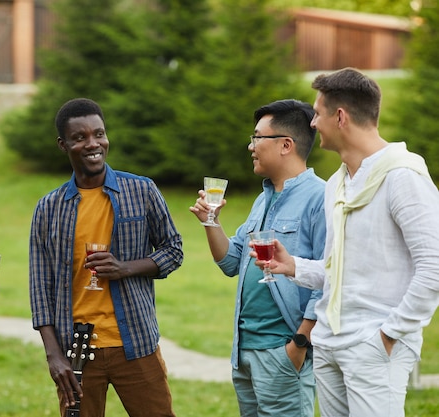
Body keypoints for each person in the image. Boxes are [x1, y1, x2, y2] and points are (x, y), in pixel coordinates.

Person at [256, 68, 439, 417]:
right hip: (329, 344)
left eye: (318, 113)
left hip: (375, 346)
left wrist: (388, 335)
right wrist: (293, 265)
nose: (312, 123)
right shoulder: (336, 185)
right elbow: (339, 271)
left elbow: (434, 267)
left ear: (340, 117)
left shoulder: (404, 177)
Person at [29, 97, 183, 417]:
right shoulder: (48, 208)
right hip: (77, 351)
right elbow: (39, 288)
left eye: (99, 134)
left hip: (136, 343)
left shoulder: (141, 191)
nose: (93, 144)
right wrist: (53, 356)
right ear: (63, 145)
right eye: (80, 137)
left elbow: (173, 250)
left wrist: (125, 268)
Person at [189, 99, 325, 417]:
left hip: (283, 351)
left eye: (257, 137)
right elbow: (232, 262)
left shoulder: (319, 198)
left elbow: (328, 277)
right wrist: (211, 222)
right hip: (245, 351)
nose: (250, 146)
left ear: (285, 145)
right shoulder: (262, 199)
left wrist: (298, 346)